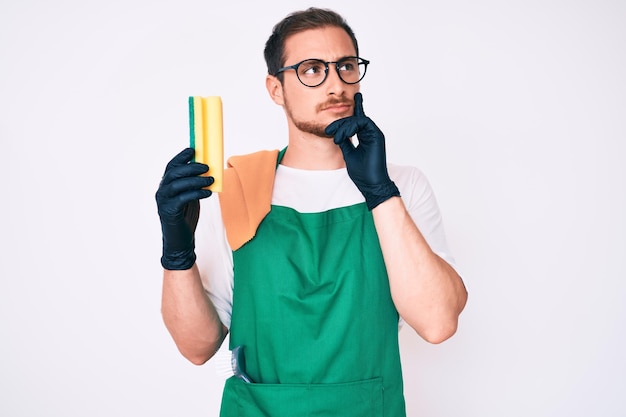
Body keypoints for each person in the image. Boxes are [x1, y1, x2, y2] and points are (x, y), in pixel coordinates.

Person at [156, 7, 467, 416]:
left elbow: (438, 323)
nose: (335, 84)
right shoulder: (238, 187)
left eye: (346, 66)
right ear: (275, 88)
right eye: (312, 69)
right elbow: (197, 348)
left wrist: (379, 192)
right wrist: (177, 251)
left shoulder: (403, 186)